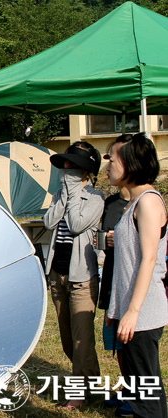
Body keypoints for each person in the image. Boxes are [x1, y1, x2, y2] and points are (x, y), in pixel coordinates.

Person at [106, 132, 168, 418]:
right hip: (130, 311)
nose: (108, 165)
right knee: (138, 387)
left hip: (142, 313)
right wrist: (117, 308)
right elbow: (128, 259)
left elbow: (149, 259)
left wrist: (132, 312)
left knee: (146, 395)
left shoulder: (149, 202)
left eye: (113, 158)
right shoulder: (134, 202)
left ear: (130, 163)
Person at [43, 141, 104, 410]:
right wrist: (66, 194)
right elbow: (49, 222)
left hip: (82, 276)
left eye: (71, 164)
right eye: (64, 164)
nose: (65, 169)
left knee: (82, 338)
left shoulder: (96, 198)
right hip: (59, 274)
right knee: (68, 337)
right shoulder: (60, 194)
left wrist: (74, 192)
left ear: (83, 170)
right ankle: (92, 384)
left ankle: (79, 392)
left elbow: (78, 224)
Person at [97, 183, 133, 416]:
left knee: (133, 343)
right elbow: (102, 238)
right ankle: (128, 389)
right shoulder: (110, 203)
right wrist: (103, 242)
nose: (109, 167)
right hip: (111, 277)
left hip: (131, 282)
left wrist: (118, 240)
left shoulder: (145, 204)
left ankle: (139, 394)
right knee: (116, 341)